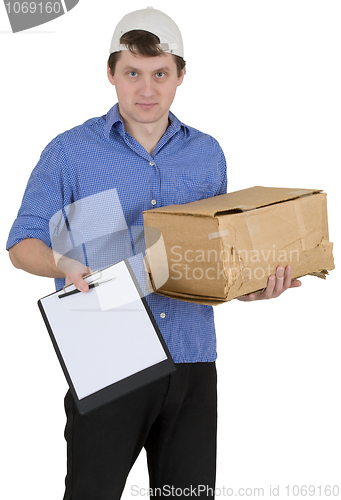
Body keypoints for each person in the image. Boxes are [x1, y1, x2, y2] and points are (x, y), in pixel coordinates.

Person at [6, 7, 301, 500]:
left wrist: (252, 288)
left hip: (192, 358)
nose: (147, 90)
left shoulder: (207, 153)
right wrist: (63, 263)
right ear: (111, 74)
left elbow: (217, 256)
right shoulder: (70, 152)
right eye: (133, 74)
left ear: (181, 75)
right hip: (106, 355)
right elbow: (22, 243)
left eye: (160, 74)